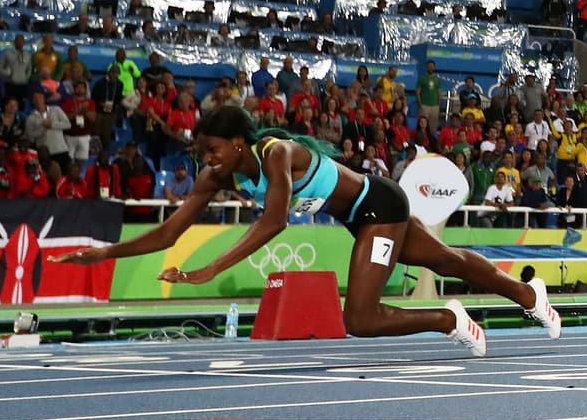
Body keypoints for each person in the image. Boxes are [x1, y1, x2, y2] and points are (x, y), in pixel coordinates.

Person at [51, 106, 561, 356]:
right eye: (202, 153)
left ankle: (448, 320)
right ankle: (528, 293)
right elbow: (168, 233)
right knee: (446, 260)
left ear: (236, 142)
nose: (206, 161)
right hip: (360, 216)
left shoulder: (276, 154)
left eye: (212, 150)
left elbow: (274, 222)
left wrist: (209, 269)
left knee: (359, 318)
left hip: (378, 204)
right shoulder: (215, 176)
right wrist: (99, 254)